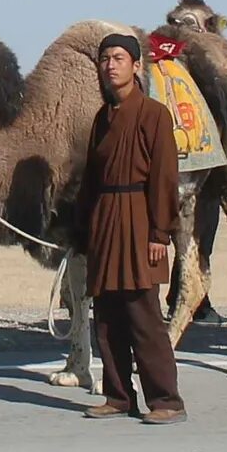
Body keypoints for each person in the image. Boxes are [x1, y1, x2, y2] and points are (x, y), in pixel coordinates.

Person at [81, 31, 185, 424]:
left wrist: (160, 234)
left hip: (140, 218)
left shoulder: (153, 114)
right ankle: (119, 396)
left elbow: (163, 178)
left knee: (143, 315)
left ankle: (167, 400)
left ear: (137, 66)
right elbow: (91, 179)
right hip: (106, 221)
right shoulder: (101, 118)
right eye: (105, 58)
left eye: (119, 58)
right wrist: (83, 230)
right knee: (106, 317)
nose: (110, 65)